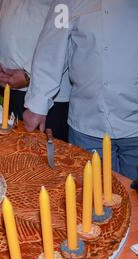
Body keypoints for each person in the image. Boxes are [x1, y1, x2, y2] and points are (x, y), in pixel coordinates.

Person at [23, 0, 138, 180]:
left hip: (135, 124)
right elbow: (51, 48)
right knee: (93, 199)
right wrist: (37, 105)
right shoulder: (66, 3)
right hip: (88, 123)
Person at [0, 0, 71, 141]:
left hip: (50, 94)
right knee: (14, 152)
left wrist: (28, 74)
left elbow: (63, 34)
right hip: (9, 88)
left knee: (46, 157)